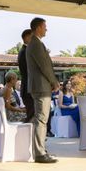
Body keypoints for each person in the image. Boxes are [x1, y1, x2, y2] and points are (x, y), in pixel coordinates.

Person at [26, 17, 59, 163]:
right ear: (38, 27)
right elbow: (45, 66)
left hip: (39, 86)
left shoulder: (35, 43)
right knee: (41, 119)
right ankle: (39, 153)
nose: (46, 29)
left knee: (39, 119)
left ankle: (38, 149)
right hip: (41, 86)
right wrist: (54, 82)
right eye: (45, 26)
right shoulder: (36, 44)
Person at [17, 29, 35, 121]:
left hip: (28, 88)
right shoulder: (25, 52)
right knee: (32, 115)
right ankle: (29, 135)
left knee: (32, 114)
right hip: (29, 89)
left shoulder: (24, 51)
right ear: (27, 37)